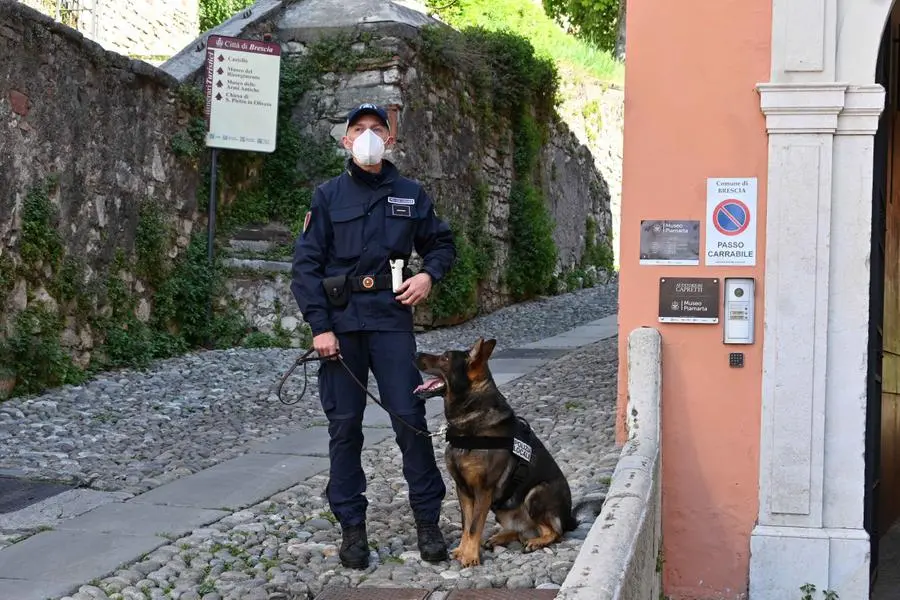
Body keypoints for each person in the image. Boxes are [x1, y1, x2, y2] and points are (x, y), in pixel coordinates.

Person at [290, 103, 456, 570]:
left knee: (409, 418)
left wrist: (428, 277)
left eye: (376, 130)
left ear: (390, 140)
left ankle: (427, 522)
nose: (367, 136)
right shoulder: (327, 197)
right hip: (340, 328)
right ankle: (352, 530)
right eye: (358, 130)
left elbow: (441, 244)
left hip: (390, 320)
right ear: (345, 140)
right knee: (345, 428)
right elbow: (306, 268)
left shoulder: (411, 194)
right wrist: (320, 326)